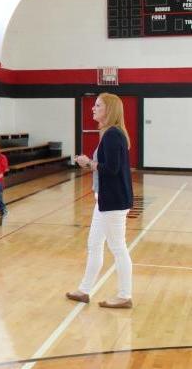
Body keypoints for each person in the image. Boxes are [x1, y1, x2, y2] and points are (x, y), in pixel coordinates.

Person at [67, 93, 134, 309]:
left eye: (97, 105)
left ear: (109, 109)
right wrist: (91, 163)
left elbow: (111, 169)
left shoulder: (113, 135)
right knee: (94, 244)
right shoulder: (111, 133)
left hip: (113, 201)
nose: (93, 109)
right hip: (106, 199)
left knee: (117, 247)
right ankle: (84, 290)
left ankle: (124, 296)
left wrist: (89, 163)